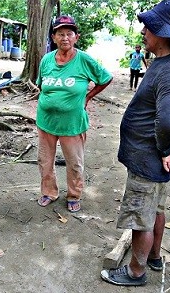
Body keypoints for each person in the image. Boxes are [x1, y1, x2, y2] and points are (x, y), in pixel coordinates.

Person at [101, 0, 170, 286]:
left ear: (162, 33)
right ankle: (153, 256)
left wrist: (168, 145)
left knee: (141, 216)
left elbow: (165, 120)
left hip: (148, 158)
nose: (143, 30)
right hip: (151, 156)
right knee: (156, 209)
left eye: (149, 26)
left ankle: (135, 272)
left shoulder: (169, 70)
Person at [36, 15, 113, 213]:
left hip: (72, 123)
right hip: (46, 121)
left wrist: (88, 97)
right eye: (60, 34)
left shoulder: (83, 59)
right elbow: (40, 85)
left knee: (74, 163)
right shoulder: (46, 60)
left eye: (69, 34)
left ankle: (74, 194)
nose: (65, 38)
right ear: (53, 37)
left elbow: (105, 78)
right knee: (45, 161)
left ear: (76, 37)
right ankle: (49, 192)